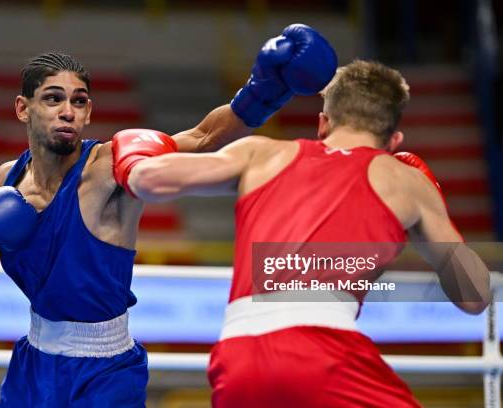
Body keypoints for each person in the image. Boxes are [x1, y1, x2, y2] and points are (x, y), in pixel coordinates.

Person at [0, 24, 337, 407]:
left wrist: (265, 90)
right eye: (53, 99)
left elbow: (202, 138)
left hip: (105, 373)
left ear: (88, 112)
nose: (68, 111)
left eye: (79, 101)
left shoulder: (106, 167)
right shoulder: (6, 180)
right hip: (32, 365)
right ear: (23, 108)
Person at [125, 60, 492, 407]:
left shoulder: (260, 153)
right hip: (323, 352)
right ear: (394, 141)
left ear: (322, 123)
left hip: (237, 357)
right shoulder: (403, 179)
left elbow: (146, 178)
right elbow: (474, 299)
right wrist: (433, 212)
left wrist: (133, 148)